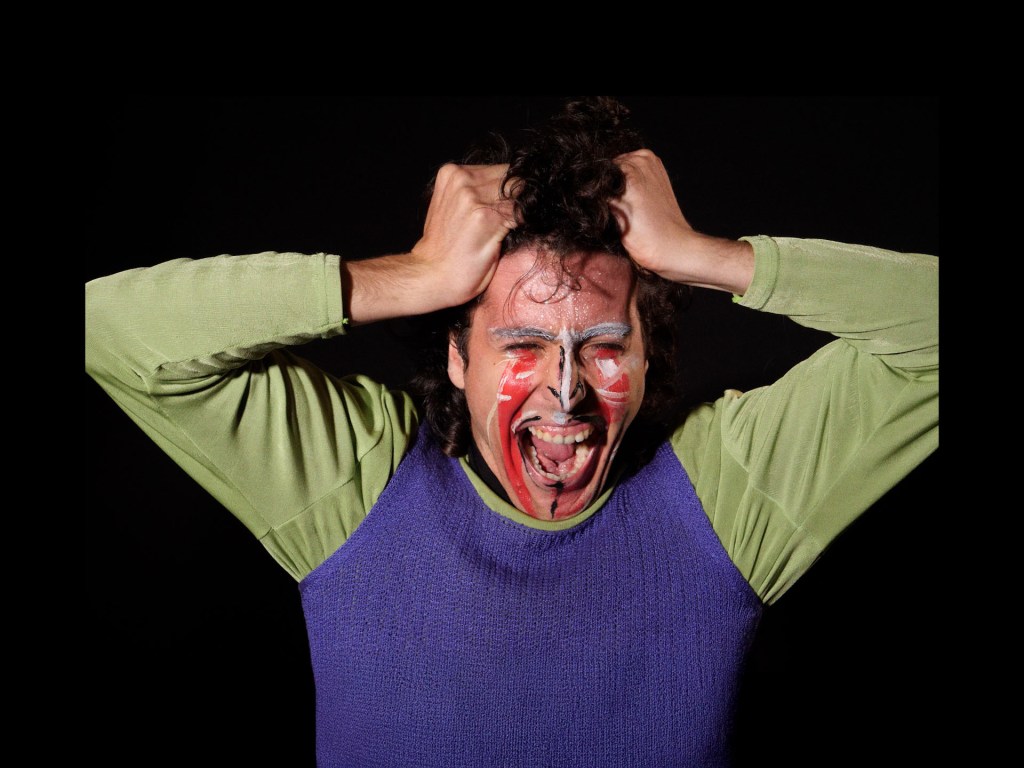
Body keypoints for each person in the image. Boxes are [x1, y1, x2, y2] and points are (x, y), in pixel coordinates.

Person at [85, 97, 938, 766]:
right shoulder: (355, 481)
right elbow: (110, 331)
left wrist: (706, 256)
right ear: (459, 357)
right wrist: (411, 276)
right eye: (522, 343)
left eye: (604, 346)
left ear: (648, 359)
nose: (565, 391)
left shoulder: (726, 493)